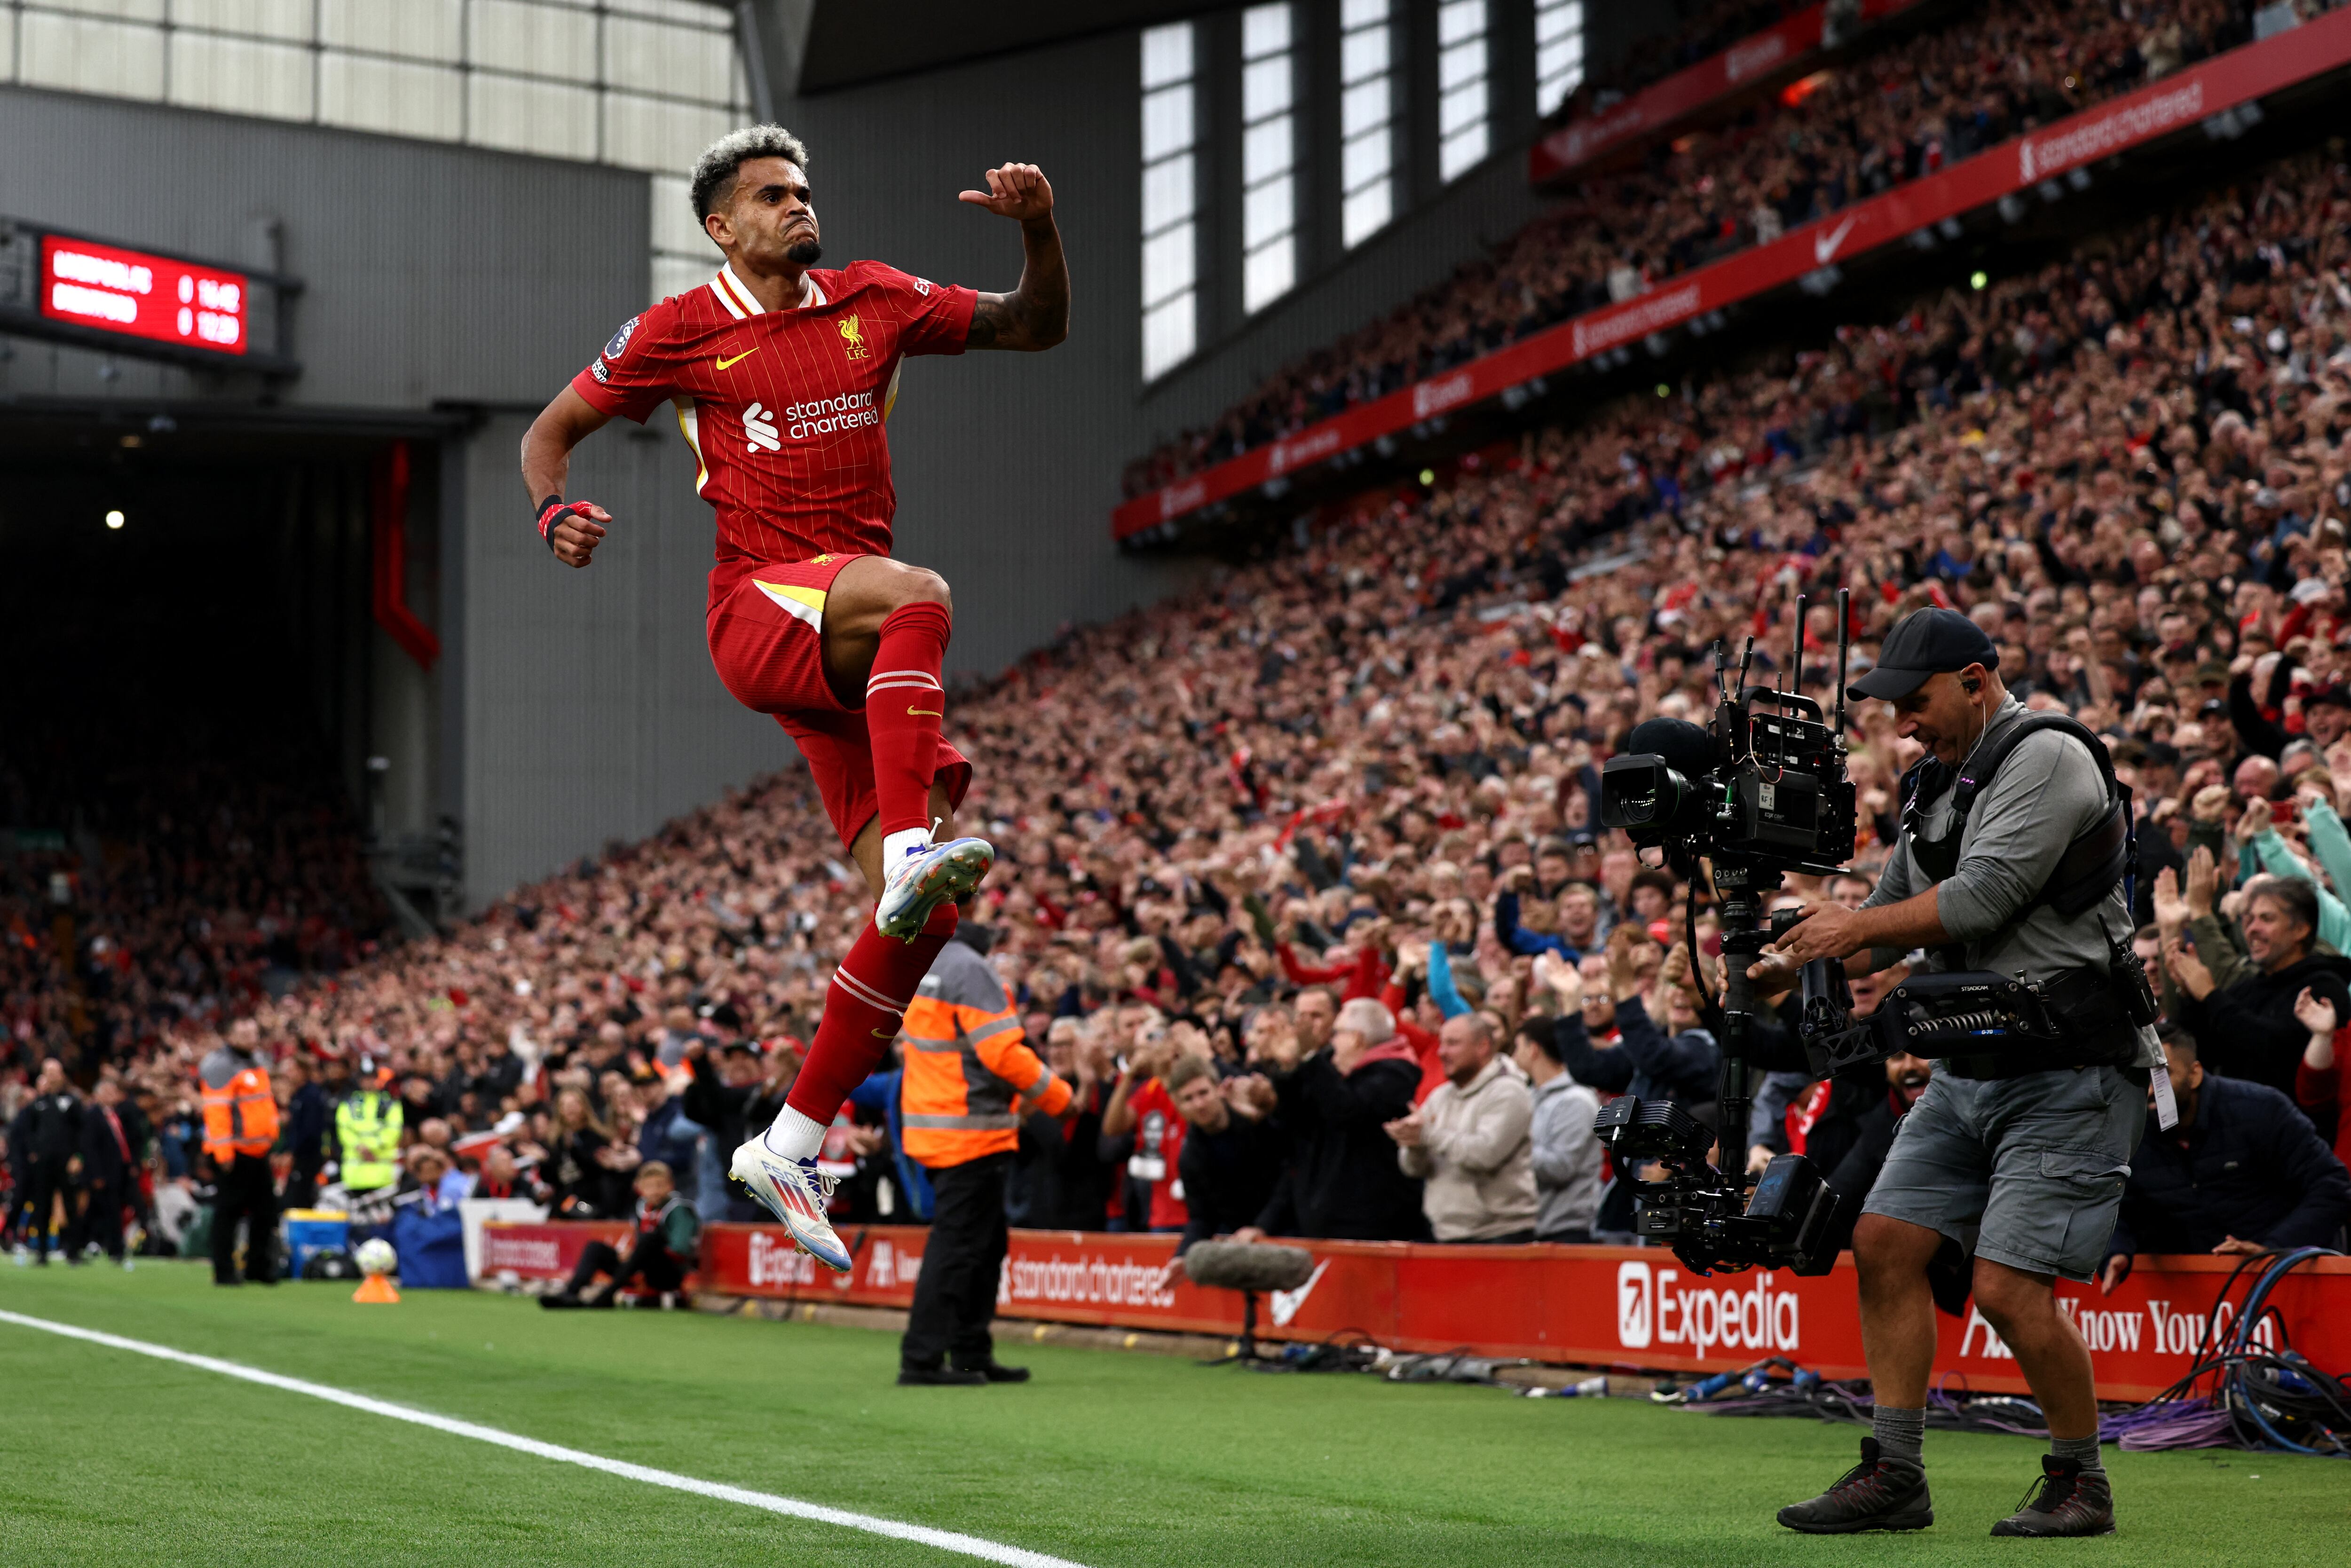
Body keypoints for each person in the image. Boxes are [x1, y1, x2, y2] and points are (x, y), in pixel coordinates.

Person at [520, 124, 1069, 1275]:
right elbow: (549, 433)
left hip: (849, 638)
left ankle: (791, 1138)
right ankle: (916, 840)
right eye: (772, 195)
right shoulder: (677, 330)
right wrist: (551, 511)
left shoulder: (873, 300)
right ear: (723, 225)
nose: (797, 205)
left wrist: (1037, 230)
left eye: (804, 190)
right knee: (921, 593)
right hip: (763, 609)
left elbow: (1036, 324)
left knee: (926, 922)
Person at [1754, 608, 2157, 1537]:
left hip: (2072, 1066)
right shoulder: (1941, 776)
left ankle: (2080, 1479)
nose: (1903, 722)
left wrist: (1849, 928)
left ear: (1976, 679)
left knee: (2009, 1288)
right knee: (1886, 1240)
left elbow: (1980, 897)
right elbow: (1895, 907)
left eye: (1916, 700)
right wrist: (1799, 951)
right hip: (1971, 1066)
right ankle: (1894, 1470)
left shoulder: (2048, 753)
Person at [896, 924, 1069, 1385]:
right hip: (970, 1134)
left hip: (940, 1129)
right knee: (957, 1250)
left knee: (982, 1247)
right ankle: (923, 1357)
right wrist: (1058, 1097)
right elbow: (1002, 1053)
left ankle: (970, 1351)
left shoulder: (926, 964)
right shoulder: (970, 969)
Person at [2100, 1032, 2351, 1286]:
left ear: (2195, 1074)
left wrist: (2272, 1249)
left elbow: (2332, 1186)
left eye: (2161, 1075)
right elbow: (2119, 1206)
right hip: (2198, 1300)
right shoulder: (2132, 1134)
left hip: (2294, 1279)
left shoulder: (2261, 1110)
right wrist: (2117, 1251)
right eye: (2140, 1078)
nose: (2151, 1090)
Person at [1234, 997, 1426, 1244]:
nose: (1332, 1041)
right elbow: (1298, 1126)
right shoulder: (1333, 1074)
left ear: (1357, 1038)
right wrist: (1287, 1068)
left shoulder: (1395, 1074)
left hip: (1373, 1227)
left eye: (1338, 1033)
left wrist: (1311, 1057)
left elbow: (1346, 1111)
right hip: (1324, 1221)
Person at [2167, 875, 2351, 1105]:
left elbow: (2275, 1050)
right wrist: (2189, 996)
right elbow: (2200, 1051)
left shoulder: (2325, 989)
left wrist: (2211, 995)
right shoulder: (2247, 988)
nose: (2252, 929)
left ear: (2301, 929)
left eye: (2266, 919)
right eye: (2249, 919)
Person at [1386, 1014, 1538, 1243]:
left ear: (1483, 1046)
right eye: (1441, 1043)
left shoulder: (1509, 1092)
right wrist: (1414, 1144)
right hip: (1446, 1232)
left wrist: (1427, 1135)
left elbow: (1486, 1154)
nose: (1441, 1052)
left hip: (1501, 1235)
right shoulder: (1440, 1096)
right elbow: (1413, 1169)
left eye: (1453, 1044)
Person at [1165, 1054, 1286, 1265]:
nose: (1199, 1104)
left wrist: (1261, 1226)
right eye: (1189, 1098)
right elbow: (1202, 1217)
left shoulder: (1254, 1120)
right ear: (1178, 1105)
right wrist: (1182, 1256)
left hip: (1289, 1231)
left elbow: (1288, 1176)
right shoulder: (1190, 1156)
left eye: (1204, 1093)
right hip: (1242, 1241)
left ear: (1219, 1088)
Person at [541, 1161, 700, 1309]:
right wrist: (633, 1255)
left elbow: (680, 1250)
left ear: (671, 1186)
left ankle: (606, 1296)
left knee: (651, 1240)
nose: (655, 1191)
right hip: (641, 1268)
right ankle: (571, 1293)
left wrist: (638, 1254)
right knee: (596, 1248)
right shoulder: (642, 1208)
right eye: (650, 1186)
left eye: (661, 1185)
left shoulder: (677, 1210)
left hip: (668, 1274)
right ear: (640, 1188)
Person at [1514, 994, 1602, 1245]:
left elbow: (1561, 1167)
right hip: (1533, 1227)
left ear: (1533, 1050)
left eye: (1517, 1047)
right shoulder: (1528, 1096)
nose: (1513, 1055)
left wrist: (1512, 1149)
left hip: (1568, 1231)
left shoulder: (1576, 1101)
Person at [199, 1022, 282, 1286]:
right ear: (230, 1035)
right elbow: (217, 1112)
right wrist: (224, 1153)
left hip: (258, 1151)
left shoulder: (256, 1061)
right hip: (234, 1150)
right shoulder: (220, 1066)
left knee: (266, 1212)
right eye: (244, 1034)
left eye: (254, 1033)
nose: (251, 1038)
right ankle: (223, 1270)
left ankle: (257, 1266)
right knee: (229, 1212)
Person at [9, 1059, 81, 1265]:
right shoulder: (38, 1105)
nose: (52, 1076)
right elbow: (28, 1133)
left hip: (66, 1162)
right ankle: (41, 1252)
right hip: (43, 1165)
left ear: (62, 1075)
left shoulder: (71, 1102)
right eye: (48, 1072)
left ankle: (73, 1251)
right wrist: (33, 1154)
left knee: (70, 1206)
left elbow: (81, 1132)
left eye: (55, 1072)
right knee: (42, 1206)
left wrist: (79, 1156)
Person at [73, 1076, 140, 1269]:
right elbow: (90, 1147)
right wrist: (97, 1175)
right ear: (98, 1095)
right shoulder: (93, 1115)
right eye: (109, 1092)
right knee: (97, 1213)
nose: (113, 1096)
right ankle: (107, 1250)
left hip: (115, 1172)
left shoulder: (113, 1114)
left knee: (106, 1213)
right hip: (101, 1175)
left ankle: (110, 1250)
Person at [335, 1059, 403, 1204]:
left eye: (371, 1078)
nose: (368, 1082)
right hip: (354, 1175)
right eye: (365, 1078)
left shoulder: (390, 1103)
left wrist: (370, 1147)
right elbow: (344, 1130)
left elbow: (394, 1130)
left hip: (383, 1173)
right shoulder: (348, 1104)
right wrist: (360, 1147)